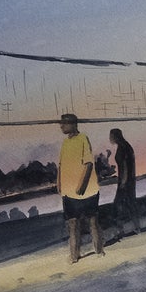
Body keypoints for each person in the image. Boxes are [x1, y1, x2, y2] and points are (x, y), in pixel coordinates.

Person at [57, 112, 105, 263]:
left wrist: (82, 186)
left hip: (87, 190)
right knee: (72, 223)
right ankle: (74, 255)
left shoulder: (83, 138)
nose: (61, 126)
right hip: (69, 192)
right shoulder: (65, 143)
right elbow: (60, 165)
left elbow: (89, 163)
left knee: (92, 221)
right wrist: (58, 183)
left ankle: (99, 250)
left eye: (64, 123)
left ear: (73, 124)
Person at [107, 128, 142, 237]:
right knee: (130, 203)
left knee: (118, 205)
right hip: (129, 180)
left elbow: (125, 166)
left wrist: (123, 181)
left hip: (125, 181)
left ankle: (121, 230)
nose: (110, 138)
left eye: (111, 136)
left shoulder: (122, 148)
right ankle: (137, 227)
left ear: (115, 136)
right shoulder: (126, 145)